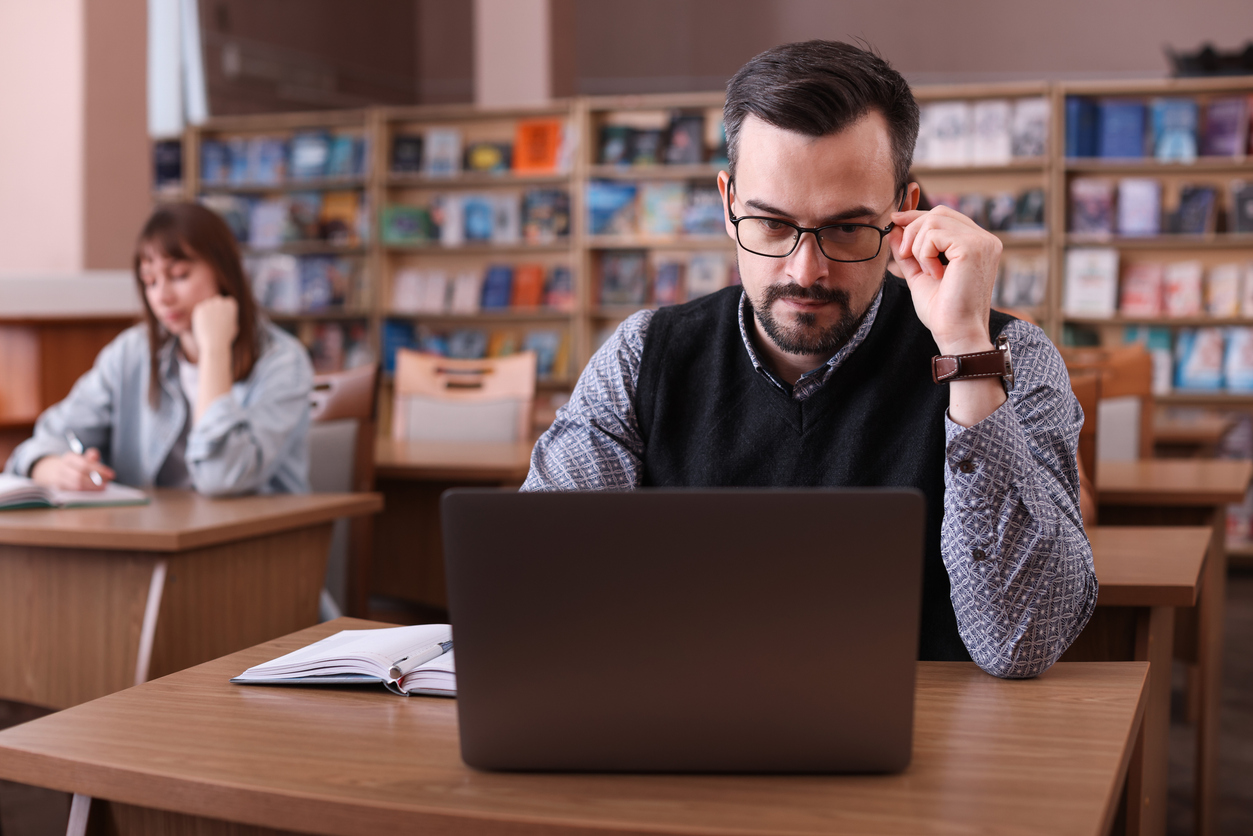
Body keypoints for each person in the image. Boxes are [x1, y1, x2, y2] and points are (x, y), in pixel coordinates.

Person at [523, 41, 1097, 679]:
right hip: (681, 736)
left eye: (847, 229)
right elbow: (540, 598)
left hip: (935, 754)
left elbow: (1021, 645)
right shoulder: (641, 358)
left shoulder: (1008, 359)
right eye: (771, 225)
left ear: (906, 213)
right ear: (728, 202)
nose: (805, 271)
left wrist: (965, 351)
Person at [5, 202, 313, 496]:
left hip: (257, 545)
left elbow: (221, 477)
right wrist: (52, 467)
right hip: (157, 540)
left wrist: (214, 351)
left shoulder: (283, 362)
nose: (162, 297)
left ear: (224, 271)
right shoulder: (132, 353)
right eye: (150, 281)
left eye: (179, 276)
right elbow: (42, 441)